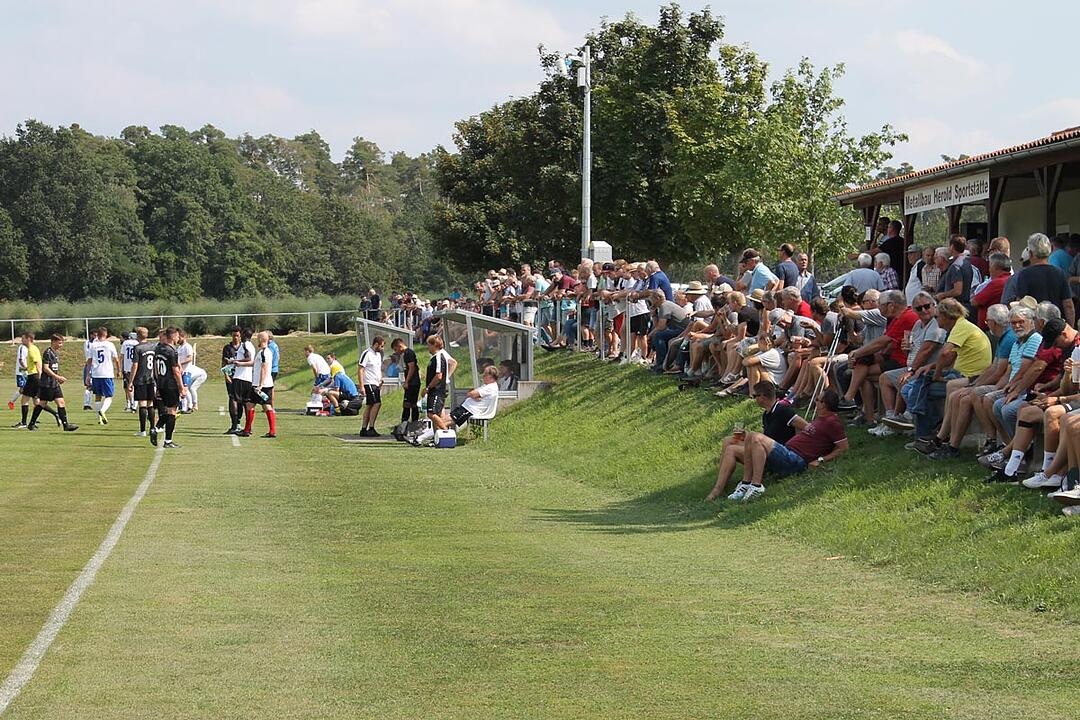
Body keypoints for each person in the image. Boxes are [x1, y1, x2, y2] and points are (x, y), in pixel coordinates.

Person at [724, 389, 849, 502]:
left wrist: (821, 460)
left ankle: (756, 485)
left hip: (796, 460)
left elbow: (843, 447)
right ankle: (745, 483)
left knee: (754, 436)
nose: (815, 402)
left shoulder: (832, 422)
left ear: (824, 404)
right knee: (741, 439)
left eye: (817, 399)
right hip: (787, 453)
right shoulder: (819, 420)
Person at [706, 381, 804, 500]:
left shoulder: (783, 411)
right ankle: (722, 481)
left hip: (778, 453)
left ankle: (718, 490)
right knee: (729, 440)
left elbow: (806, 427)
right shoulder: (766, 414)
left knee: (732, 449)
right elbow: (767, 437)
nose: (754, 399)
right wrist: (744, 435)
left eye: (754, 396)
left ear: (762, 396)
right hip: (765, 449)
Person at [1003, 233, 1075, 325]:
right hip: (1057, 327)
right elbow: (1068, 305)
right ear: (1050, 250)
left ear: (1030, 254)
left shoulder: (1025, 275)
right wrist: (1071, 327)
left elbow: (1020, 305)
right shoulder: (1059, 273)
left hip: (1035, 326)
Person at [413, 335, 458, 445]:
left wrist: (428, 388)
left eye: (429, 344)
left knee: (431, 414)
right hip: (434, 389)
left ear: (434, 345)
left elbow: (439, 376)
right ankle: (437, 439)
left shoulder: (439, 356)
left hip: (437, 390)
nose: (427, 347)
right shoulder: (434, 357)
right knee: (437, 414)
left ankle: (447, 434)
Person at [27, 334, 77, 432]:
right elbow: (45, 368)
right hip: (47, 383)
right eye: (59, 342)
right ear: (53, 342)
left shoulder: (55, 353)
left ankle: (66, 425)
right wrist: (57, 377)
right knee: (42, 403)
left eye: (62, 343)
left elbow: (53, 369)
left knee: (60, 402)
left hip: (54, 383)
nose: (61, 345)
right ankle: (31, 423)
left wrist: (57, 378)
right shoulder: (48, 352)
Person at [238, 331, 276, 439]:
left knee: (250, 405)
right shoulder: (264, 352)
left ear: (261, 339)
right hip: (266, 383)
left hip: (259, 384)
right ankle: (272, 431)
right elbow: (254, 363)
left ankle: (247, 430)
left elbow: (264, 368)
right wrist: (239, 363)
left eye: (258, 338)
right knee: (265, 406)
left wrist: (260, 385)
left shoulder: (264, 352)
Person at [152, 327, 185, 449]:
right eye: (177, 336)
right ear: (173, 336)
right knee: (172, 411)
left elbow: (155, 368)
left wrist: (157, 381)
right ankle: (168, 440)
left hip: (161, 382)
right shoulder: (171, 351)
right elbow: (176, 371)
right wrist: (181, 387)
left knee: (168, 410)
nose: (178, 338)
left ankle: (156, 428)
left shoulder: (159, 349)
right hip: (170, 384)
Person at [85, 327, 120, 425]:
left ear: (98, 334)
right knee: (109, 396)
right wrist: (118, 370)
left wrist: (88, 375)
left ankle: (99, 419)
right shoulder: (110, 345)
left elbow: (89, 361)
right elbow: (116, 359)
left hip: (96, 373)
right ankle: (102, 411)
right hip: (107, 373)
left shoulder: (93, 345)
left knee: (98, 396)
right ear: (106, 334)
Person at [129, 327, 156, 437]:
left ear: (138, 335)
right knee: (150, 403)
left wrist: (130, 381)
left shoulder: (137, 348)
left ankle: (143, 430)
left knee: (142, 404)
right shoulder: (152, 346)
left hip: (140, 378)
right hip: (151, 378)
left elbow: (135, 365)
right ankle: (153, 428)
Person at [391, 338, 421, 430]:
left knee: (408, 404)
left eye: (396, 350)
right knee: (410, 403)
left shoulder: (409, 353)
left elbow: (412, 368)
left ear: (399, 346)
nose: (396, 352)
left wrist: (407, 381)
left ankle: (408, 424)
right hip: (411, 382)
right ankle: (407, 425)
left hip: (413, 383)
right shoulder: (404, 355)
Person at [358, 336, 385, 436]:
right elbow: (361, 369)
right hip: (369, 383)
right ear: (376, 344)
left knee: (370, 405)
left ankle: (364, 428)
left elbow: (378, 368)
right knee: (377, 403)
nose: (382, 348)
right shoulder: (367, 353)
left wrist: (380, 379)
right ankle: (371, 427)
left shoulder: (378, 355)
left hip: (376, 383)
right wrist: (361, 386)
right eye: (381, 346)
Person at [222, 328, 242, 434]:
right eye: (234, 335)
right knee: (232, 398)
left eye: (237, 335)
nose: (235, 337)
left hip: (241, 377)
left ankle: (238, 422)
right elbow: (224, 362)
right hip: (231, 376)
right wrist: (225, 374)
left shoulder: (244, 347)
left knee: (241, 401)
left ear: (240, 336)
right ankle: (234, 423)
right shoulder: (227, 348)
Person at [9, 334, 29, 420]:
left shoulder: (28, 348)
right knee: (23, 390)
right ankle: (11, 402)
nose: (22, 340)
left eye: (24, 338)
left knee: (27, 390)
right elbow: (21, 360)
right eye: (22, 338)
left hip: (26, 372)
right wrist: (26, 368)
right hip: (21, 372)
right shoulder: (22, 347)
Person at [120, 331, 139, 412]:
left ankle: (132, 404)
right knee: (136, 387)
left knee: (128, 387)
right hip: (136, 367)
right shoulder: (138, 343)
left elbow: (122, 356)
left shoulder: (125, 343)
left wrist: (121, 368)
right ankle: (133, 405)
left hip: (127, 368)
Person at [267, 330, 281, 405]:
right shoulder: (275, 345)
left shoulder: (270, 346)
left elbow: (269, 358)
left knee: (270, 388)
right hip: (275, 368)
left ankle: (270, 405)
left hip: (271, 369)